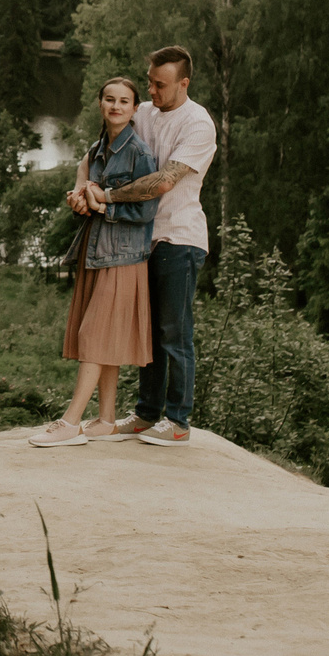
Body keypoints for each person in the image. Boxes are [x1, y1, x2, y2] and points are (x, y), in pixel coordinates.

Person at [28, 75, 158, 447]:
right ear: (100, 104)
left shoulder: (140, 153)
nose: (116, 106)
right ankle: (105, 420)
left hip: (123, 258)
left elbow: (147, 211)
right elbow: (88, 199)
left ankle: (70, 424)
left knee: (95, 336)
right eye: (110, 99)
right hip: (96, 253)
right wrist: (81, 203)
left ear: (135, 109)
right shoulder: (97, 149)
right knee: (107, 339)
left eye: (124, 101)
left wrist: (104, 204)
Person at [119, 44, 215, 448]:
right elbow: (108, 143)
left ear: (184, 83)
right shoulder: (145, 113)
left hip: (180, 238)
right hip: (146, 238)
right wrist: (83, 181)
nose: (152, 92)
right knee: (148, 332)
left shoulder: (198, 124)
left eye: (160, 85)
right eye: (149, 83)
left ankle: (178, 422)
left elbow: (162, 182)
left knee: (174, 332)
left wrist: (108, 197)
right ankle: (146, 413)